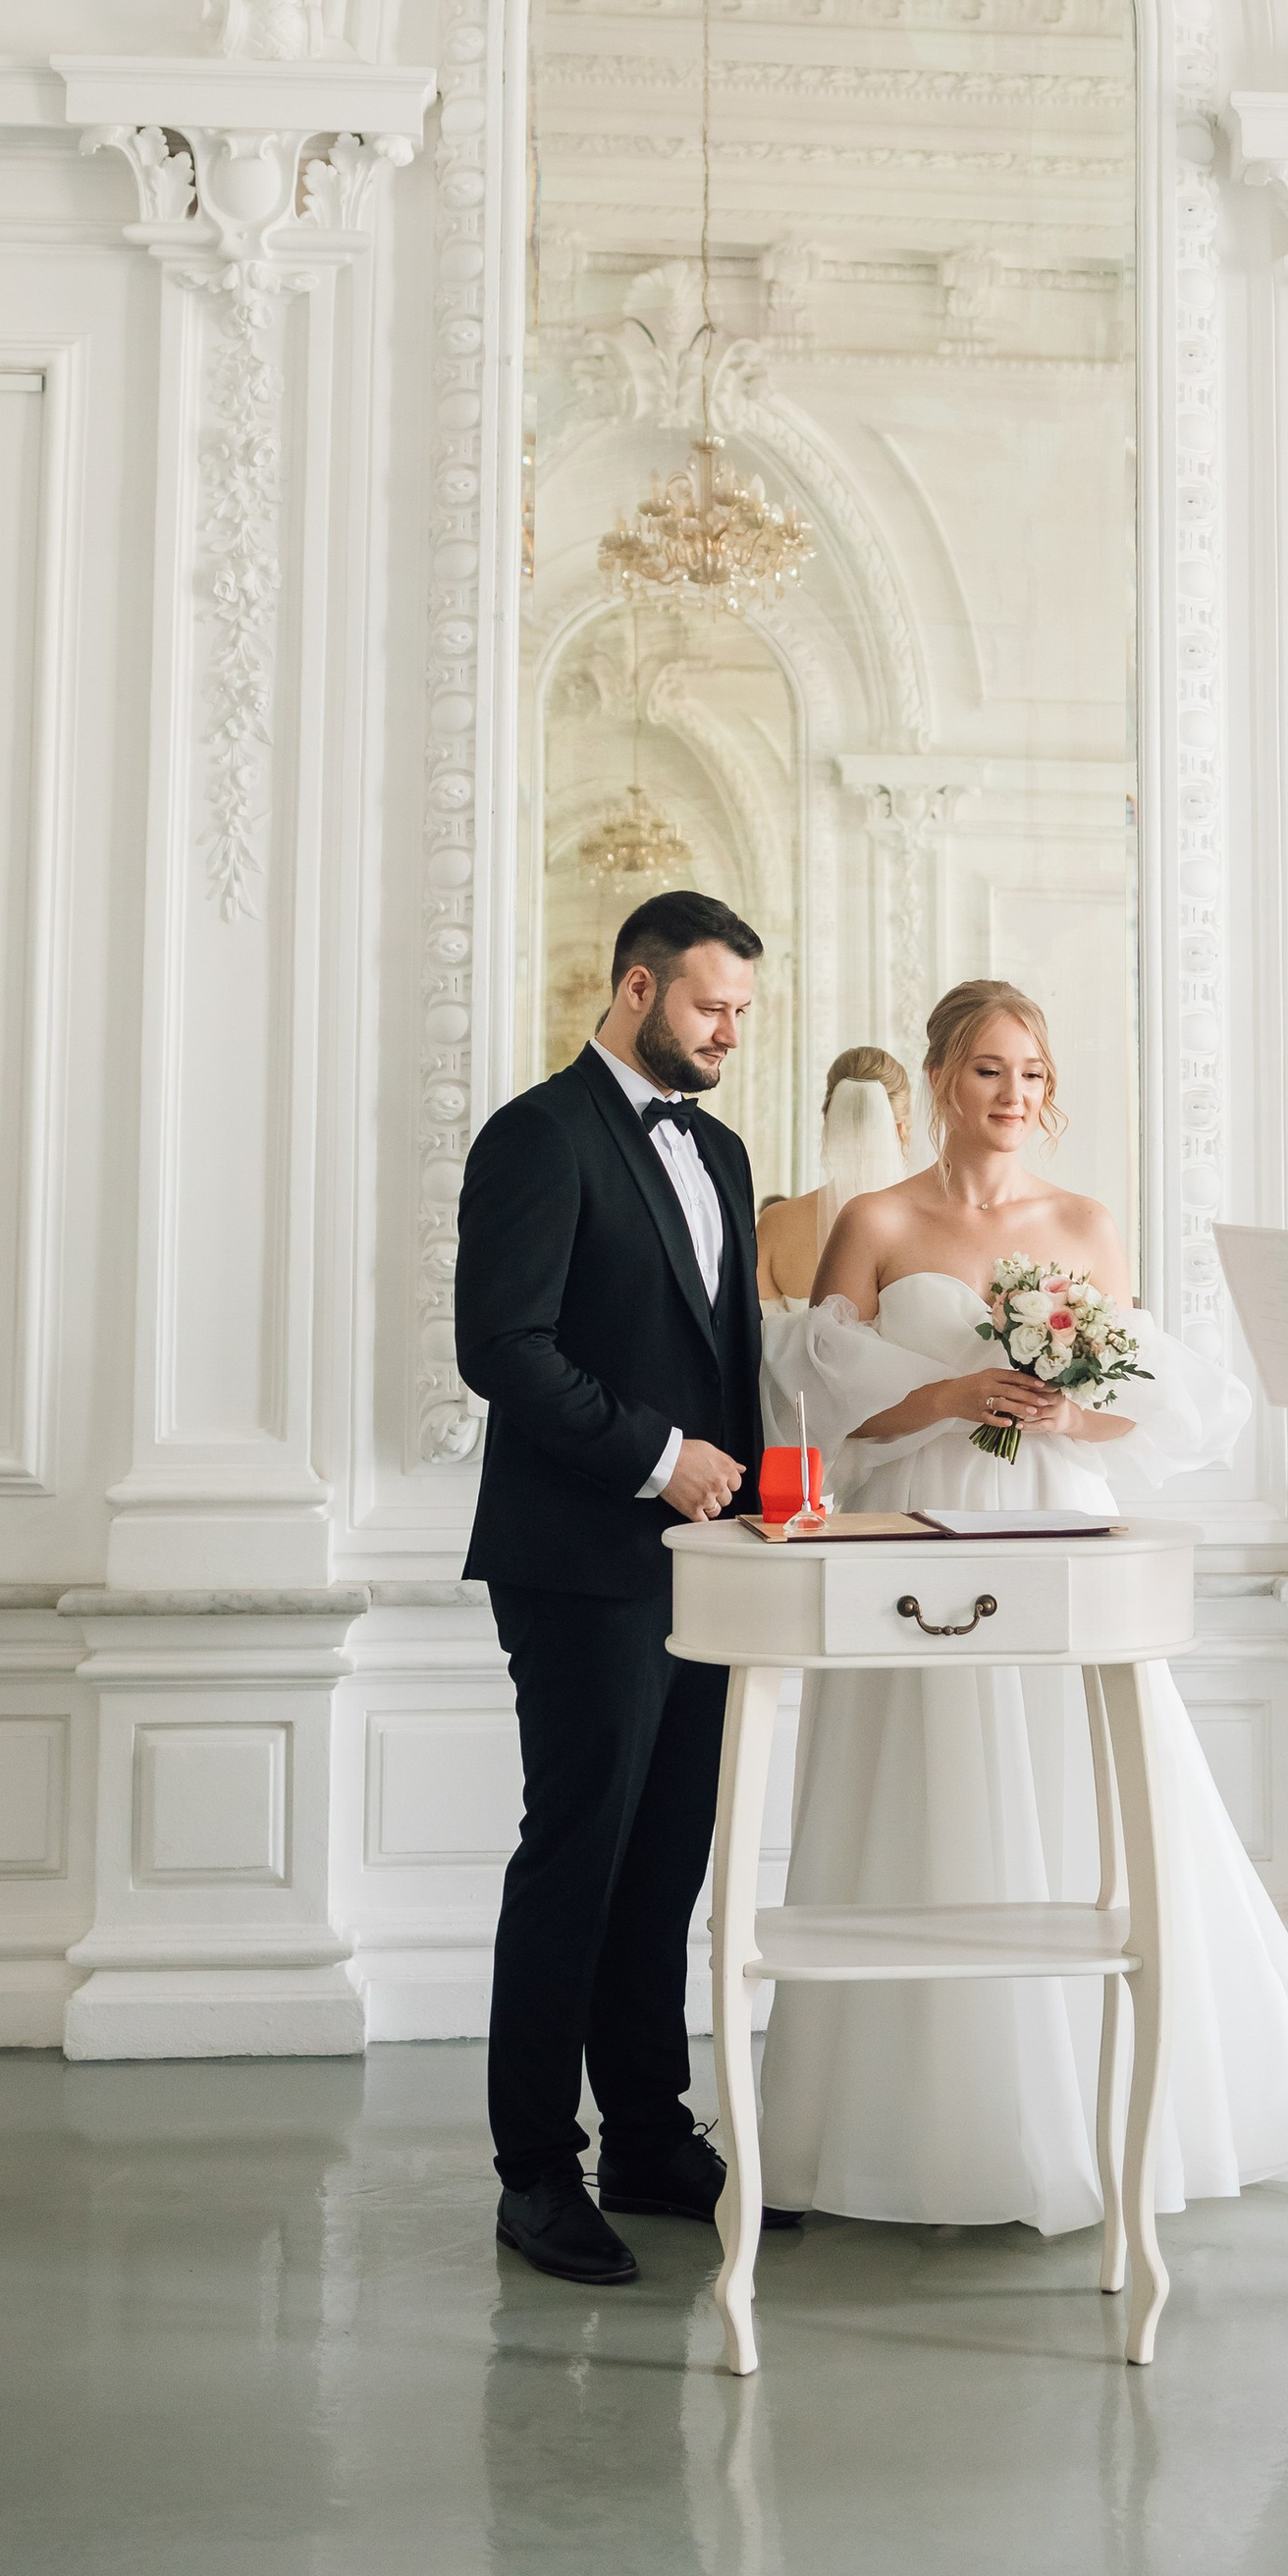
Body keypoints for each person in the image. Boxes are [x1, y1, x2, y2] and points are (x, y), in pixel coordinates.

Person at [757, 977, 1288, 2232]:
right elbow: (818, 1401)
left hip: (1058, 1523)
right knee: (922, 1787)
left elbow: (1147, 1403)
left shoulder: (1088, 1228)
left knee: (1084, 1791)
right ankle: (909, 2131)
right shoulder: (874, 1221)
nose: (1014, 1095)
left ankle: (1098, 2116)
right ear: (942, 1078)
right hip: (915, 1537)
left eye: (1035, 1074)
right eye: (991, 1070)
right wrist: (948, 1399)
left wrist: (1065, 1409)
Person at [455, 888, 796, 2289]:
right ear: (639, 989)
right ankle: (538, 2171)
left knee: (669, 1861)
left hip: (711, 1566)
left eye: (746, 1013)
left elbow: (726, 1362)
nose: (732, 1032)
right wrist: (659, 1462)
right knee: (578, 1857)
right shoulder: (536, 1136)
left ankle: (651, 2136)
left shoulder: (717, 1148)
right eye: (715, 1005)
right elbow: (504, 1349)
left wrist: (772, 1501)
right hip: (578, 1560)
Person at [755, 1047, 913, 1304]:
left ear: (829, 1119)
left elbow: (757, 1334)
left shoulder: (776, 1224)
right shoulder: (932, 1225)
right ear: (901, 1129)